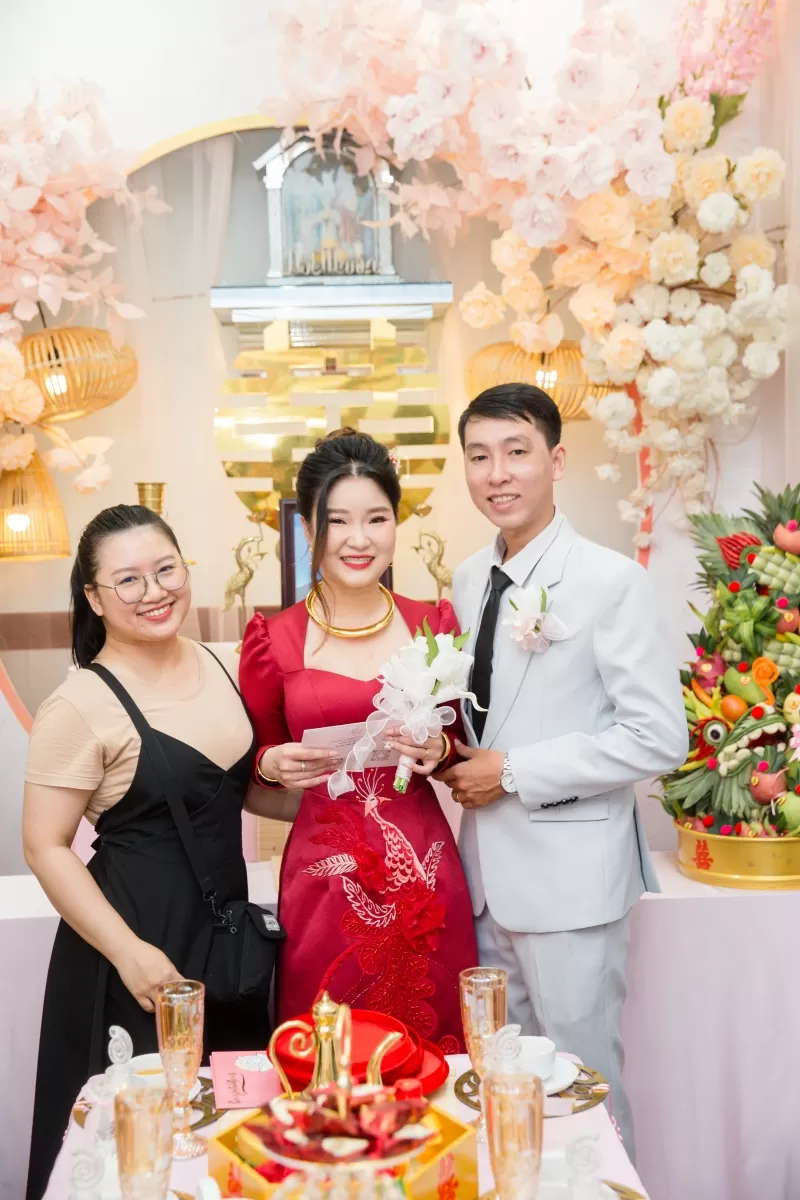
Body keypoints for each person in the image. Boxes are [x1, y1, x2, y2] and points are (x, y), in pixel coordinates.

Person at [439, 383, 688, 1155]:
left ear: (556, 460)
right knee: (503, 1085)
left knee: (582, 1090)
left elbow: (657, 738)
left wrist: (513, 771)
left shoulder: (609, 580)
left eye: (516, 452)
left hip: (573, 882)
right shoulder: (469, 577)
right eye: (479, 456)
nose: (497, 474)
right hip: (484, 876)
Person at [23, 505, 271, 1200]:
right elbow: (44, 846)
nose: (154, 591)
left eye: (166, 570)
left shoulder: (220, 663)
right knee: (142, 1153)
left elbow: (238, 795)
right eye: (127, 580)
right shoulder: (80, 704)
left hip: (224, 942)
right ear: (95, 598)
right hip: (135, 945)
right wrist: (129, 953)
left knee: (229, 1140)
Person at [239, 429, 477, 1051]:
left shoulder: (433, 624)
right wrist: (270, 764)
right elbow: (251, 767)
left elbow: (459, 750)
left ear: (396, 523)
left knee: (433, 1052)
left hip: (425, 870)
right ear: (308, 528)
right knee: (327, 1055)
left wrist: (439, 752)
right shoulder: (272, 640)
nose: (359, 538)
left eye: (376, 518)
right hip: (324, 879)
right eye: (338, 520)